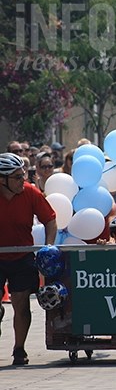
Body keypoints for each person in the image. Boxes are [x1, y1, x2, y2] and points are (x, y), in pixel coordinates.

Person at [0, 153, 57, 365]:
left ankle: (19, 349)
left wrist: (48, 247)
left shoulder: (30, 192)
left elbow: (50, 221)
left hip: (22, 255)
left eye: (23, 175)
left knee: (21, 304)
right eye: (16, 177)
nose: (22, 181)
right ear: (2, 180)